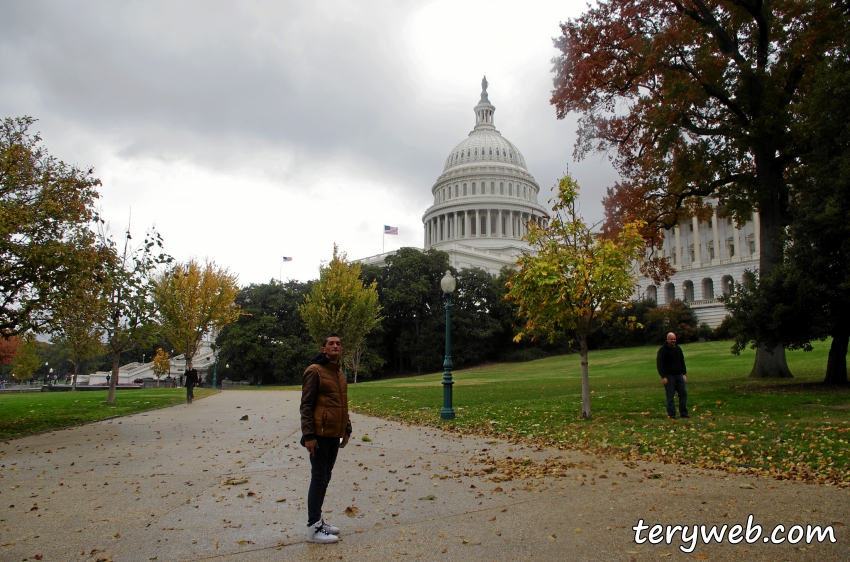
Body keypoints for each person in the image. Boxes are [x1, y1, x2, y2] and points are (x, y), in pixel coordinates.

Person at [300, 333, 352, 544]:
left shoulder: (339, 372)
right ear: (323, 349)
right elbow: (306, 405)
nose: (335, 346)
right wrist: (309, 436)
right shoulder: (315, 371)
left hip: (334, 434)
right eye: (330, 343)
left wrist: (346, 429)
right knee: (319, 479)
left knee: (325, 478)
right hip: (319, 436)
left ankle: (319, 521)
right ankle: (313, 528)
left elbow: (342, 404)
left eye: (338, 343)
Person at [657, 332, 689, 419]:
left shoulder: (678, 349)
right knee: (670, 396)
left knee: (683, 394)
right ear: (667, 340)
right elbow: (659, 364)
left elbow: (682, 361)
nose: (673, 340)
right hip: (669, 376)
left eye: (674, 339)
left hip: (679, 375)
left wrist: (684, 373)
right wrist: (663, 376)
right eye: (671, 339)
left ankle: (684, 413)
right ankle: (671, 414)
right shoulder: (662, 350)